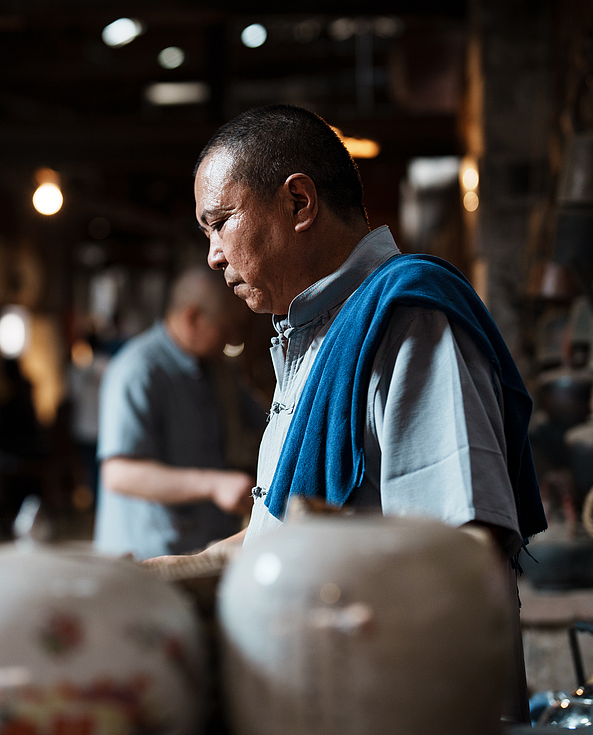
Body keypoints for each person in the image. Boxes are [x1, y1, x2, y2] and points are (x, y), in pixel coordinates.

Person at [190, 105, 547, 719]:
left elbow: (461, 551)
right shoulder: (313, 338)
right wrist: (156, 574)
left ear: (299, 205)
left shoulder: (407, 319)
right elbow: (271, 540)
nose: (214, 255)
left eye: (221, 223)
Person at [94, 267, 264, 561]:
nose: (233, 339)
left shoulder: (217, 370)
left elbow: (267, 423)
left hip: (203, 548)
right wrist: (214, 484)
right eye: (226, 328)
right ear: (193, 318)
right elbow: (119, 474)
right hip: (148, 560)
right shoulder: (138, 371)